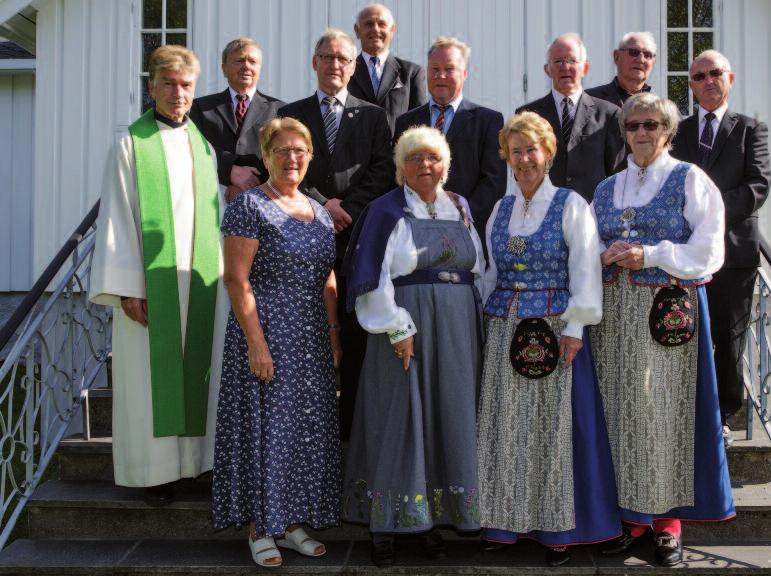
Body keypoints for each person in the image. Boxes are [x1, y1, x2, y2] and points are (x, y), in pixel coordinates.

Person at [590, 92, 734, 566]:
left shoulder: (689, 179)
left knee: (662, 413)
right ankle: (629, 517)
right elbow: (586, 245)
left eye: (652, 125)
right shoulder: (607, 188)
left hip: (666, 311)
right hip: (614, 314)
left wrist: (650, 254)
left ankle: (666, 523)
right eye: (633, 126)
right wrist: (603, 255)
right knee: (619, 410)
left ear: (668, 131)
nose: (642, 133)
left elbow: (709, 250)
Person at [477, 111, 621, 567]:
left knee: (551, 429)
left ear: (548, 153)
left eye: (531, 149)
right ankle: (505, 520)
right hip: (506, 326)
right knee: (506, 426)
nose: (523, 159)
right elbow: (490, 274)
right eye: (515, 151)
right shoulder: (500, 209)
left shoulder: (570, 204)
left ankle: (557, 526)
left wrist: (576, 328)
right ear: (506, 157)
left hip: (555, 327)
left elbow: (585, 267)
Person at [89, 45, 228, 506]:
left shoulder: (202, 145)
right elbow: (116, 217)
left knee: (198, 371)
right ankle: (153, 473)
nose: (177, 93)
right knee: (151, 378)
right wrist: (129, 287)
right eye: (168, 83)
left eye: (186, 85)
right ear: (151, 87)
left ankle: (193, 466)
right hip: (151, 287)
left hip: (198, 283)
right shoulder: (132, 143)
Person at [341, 126, 485, 568]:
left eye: (434, 158)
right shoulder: (385, 211)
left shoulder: (459, 207)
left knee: (449, 416)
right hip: (405, 329)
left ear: (446, 165)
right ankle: (387, 524)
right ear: (401, 166)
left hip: (458, 329)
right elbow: (371, 276)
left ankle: (431, 521)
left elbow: (479, 269)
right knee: (401, 417)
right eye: (415, 158)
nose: (426, 166)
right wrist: (396, 327)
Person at [212, 117, 342, 568]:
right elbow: (235, 279)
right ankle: (258, 526)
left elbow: (328, 277)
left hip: (310, 336)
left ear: (309, 158)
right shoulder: (248, 207)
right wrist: (257, 344)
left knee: (304, 433)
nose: (291, 158)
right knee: (264, 429)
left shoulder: (319, 211)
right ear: (265, 157)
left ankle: (290, 523)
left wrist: (333, 334)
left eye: (299, 151)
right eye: (281, 150)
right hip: (266, 329)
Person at [279, 28, 394, 439]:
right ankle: (304, 426)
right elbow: (284, 167)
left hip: (356, 239)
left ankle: (349, 432)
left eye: (344, 59)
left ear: (354, 66)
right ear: (314, 63)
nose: (335, 65)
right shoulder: (291, 116)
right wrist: (320, 205)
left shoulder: (373, 116)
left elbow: (383, 168)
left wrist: (348, 208)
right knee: (305, 332)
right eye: (327, 57)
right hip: (302, 234)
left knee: (353, 332)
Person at [672, 50, 771, 448]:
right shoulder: (676, 132)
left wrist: (709, 213)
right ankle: (685, 412)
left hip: (734, 254)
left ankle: (723, 417)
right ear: (691, 85)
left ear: (729, 78)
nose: (708, 81)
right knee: (685, 334)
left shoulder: (750, 129)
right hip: (686, 255)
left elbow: (758, 187)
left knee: (729, 338)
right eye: (699, 76)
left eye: (715, 73)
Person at [394, 36, 506, 244]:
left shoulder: (488, 121)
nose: (441, 75)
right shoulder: (406, 123)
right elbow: (399, 176)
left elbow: (494, 181)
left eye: (449, 69)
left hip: (467, 233)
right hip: (415, 232)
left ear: (464, 74)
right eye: (435, 69)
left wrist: (461, 216)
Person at [517, 33, 625, 202]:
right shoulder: (527, 115)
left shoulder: (609, 114)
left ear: (585, 68)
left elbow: (617, 175)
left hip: (591, 216)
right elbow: (520, 168)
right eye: (558, 61)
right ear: (547, 69)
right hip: (542, 214)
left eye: (572, 61)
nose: (565, 67)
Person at [191, 37, 285, 203]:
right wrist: (229, 172)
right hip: (212, 198)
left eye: (252, 61)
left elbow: (282, 154)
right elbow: (193, 148)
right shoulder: (200, 108)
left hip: (264, 200)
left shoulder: (280, 110)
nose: (246, 66)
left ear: (259, 68)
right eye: (239, 60)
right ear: (224, 69)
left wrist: (246, 184)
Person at [348, 3, 426, 134]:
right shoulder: (346, 71)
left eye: (382, 24)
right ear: (357, 30)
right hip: (356, 153)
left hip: (396, 153)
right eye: (369, 24)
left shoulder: (411, 73)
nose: (376, 29)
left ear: (392, 30)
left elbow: (420, 122)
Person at [586, 32, 656, 108]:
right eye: (633, 52)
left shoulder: (658, 108)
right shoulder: (588, 100)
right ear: (617, 57)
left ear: (653, 62)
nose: (641, 60)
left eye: (648, 55)